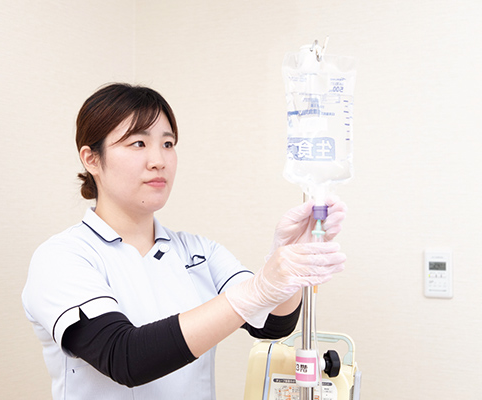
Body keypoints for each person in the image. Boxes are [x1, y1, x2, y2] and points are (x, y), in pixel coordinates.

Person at [21, 83, 347, 400]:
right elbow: (123, 357)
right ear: (92, 159)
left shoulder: (199, 251)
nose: (158, 160)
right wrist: (256, 290)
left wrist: (288, 263)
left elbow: (272, 324)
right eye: (138, 143)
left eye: (167, 144)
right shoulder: (62, 257)